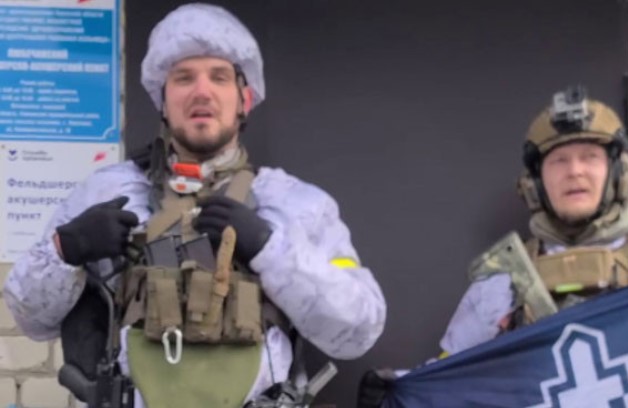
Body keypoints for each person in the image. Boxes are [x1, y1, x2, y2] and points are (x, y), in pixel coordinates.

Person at [4, 3, 386, 407]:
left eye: (219, 77)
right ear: (162, 99)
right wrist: (67, 248)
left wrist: (271, 250)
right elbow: (32, 319)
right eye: (184, 77)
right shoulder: (107, 192)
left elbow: (358, 330)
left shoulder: (295, 205)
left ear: (244, 98)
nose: (202, 91)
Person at [357, 86, 628, 407]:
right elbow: (451, 379)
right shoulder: (501, 285)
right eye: (559, 161)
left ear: (619, 172)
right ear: (535, 183)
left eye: (590, 157)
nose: (575, 171)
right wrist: (399, 390)